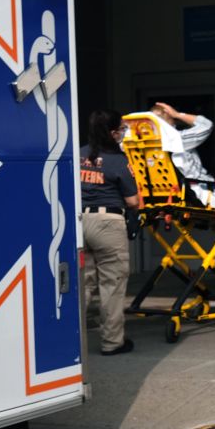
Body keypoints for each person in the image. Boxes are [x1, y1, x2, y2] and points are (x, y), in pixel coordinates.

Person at [79, 110, 140, 355]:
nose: (124, 133)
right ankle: (112, 342)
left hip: (80, 220)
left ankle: (72, 344)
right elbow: (133, 200)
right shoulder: (118, 159)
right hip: (108, 223)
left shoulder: (78, 154)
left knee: (82, 284)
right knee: (111, 285)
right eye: (122, 129)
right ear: (113, 133)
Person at [149, 101, 214, 182]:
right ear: (169, 117)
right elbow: (207, 125)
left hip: (159, 189)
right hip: (194, 188)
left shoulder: (139, 143)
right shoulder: (176, 139)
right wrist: (177, 114)